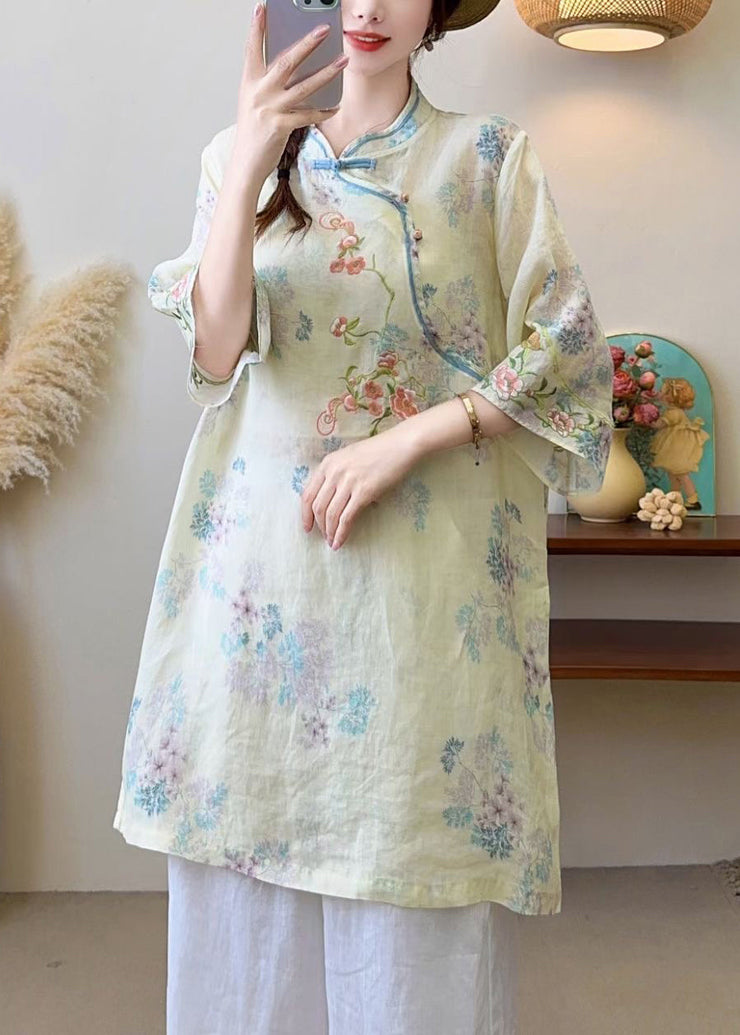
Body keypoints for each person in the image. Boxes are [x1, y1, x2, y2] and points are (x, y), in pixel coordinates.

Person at [113, 0, 615, 1029]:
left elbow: (566, 356)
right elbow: (215, 355)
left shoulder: (486, 160)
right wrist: (250, 161)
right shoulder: (234, 158)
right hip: (260, 590)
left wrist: (410, 436)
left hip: (418, 605)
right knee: (248, 899)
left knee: (407, 875)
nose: (368, 9)